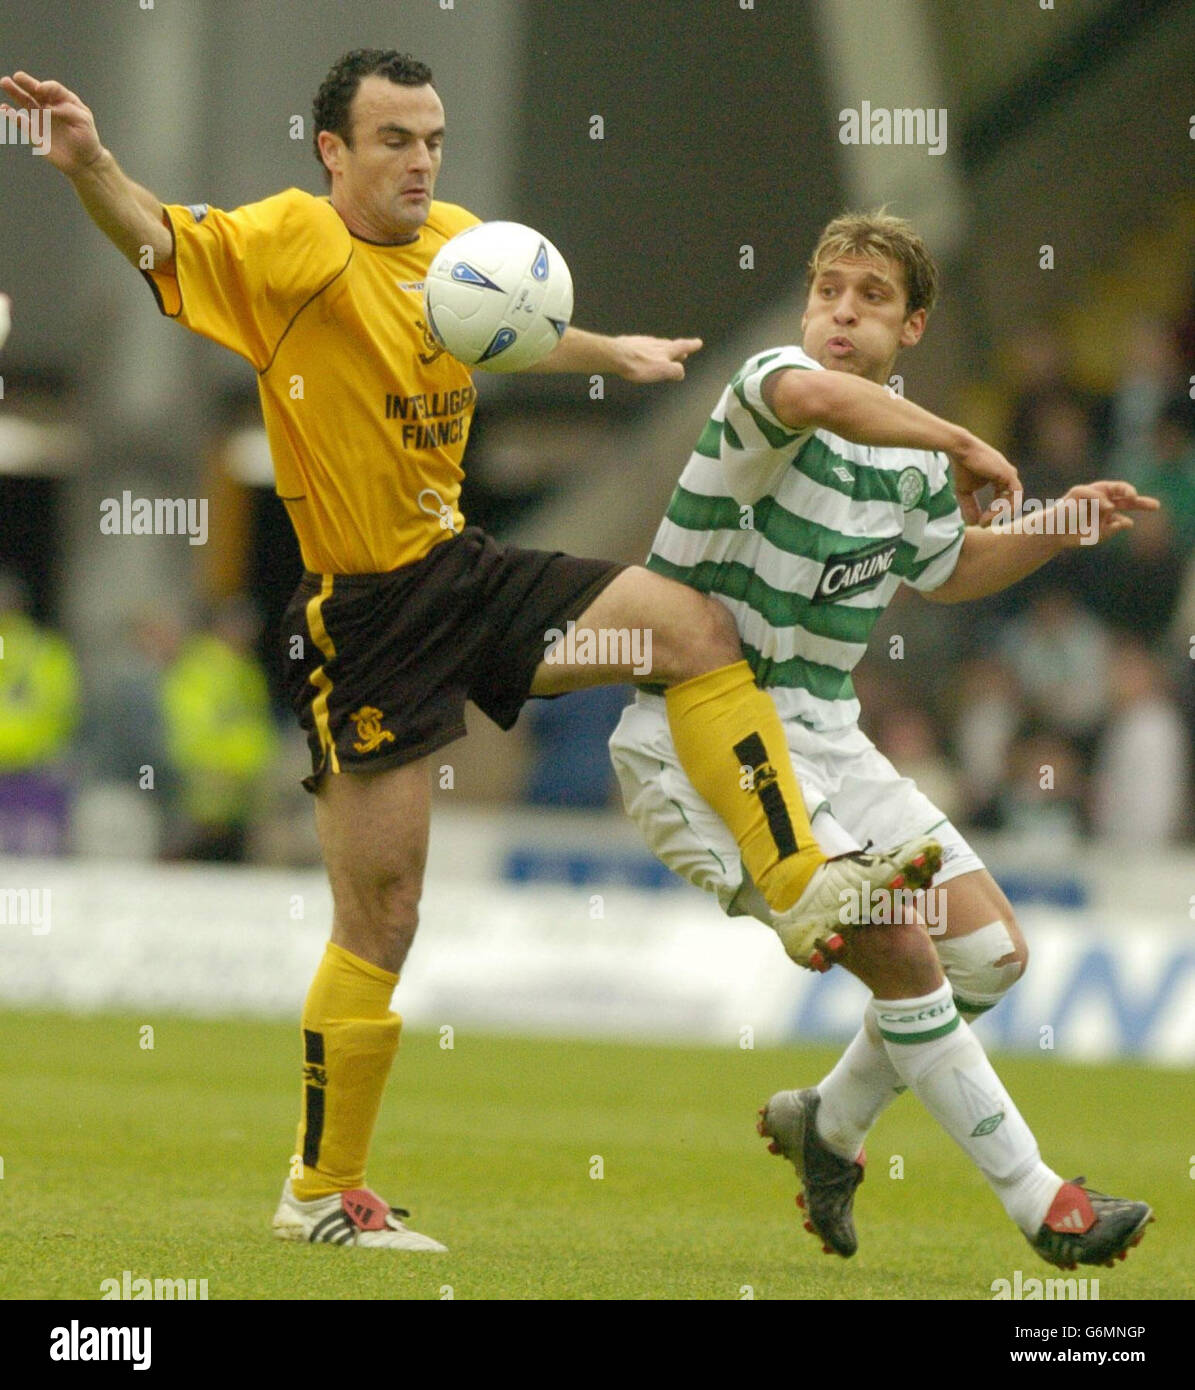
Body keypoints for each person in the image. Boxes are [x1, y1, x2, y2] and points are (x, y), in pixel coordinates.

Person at [1, 54, 991, 1252]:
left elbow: (509, 327)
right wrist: (90, 163)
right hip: (367, 621)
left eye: (432, 138)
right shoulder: (286, 247)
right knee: (385, 915)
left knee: (689, 625)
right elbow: (158, 238)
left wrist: (609, 350)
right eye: (394, 140)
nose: (422, 161)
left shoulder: (462, 240)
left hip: (466, 574)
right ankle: (322, 1191)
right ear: (334, 153)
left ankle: (798, 883)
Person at [609, 210, 1157, 1270]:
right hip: (700, 742)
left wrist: (1060, 523)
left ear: (913, 326)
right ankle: (1045, 1203)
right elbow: (815, 394)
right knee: (902, 949)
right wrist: (959, 436)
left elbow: (948, 570)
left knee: (990, 956)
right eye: (828, 293)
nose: (841, 315)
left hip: (828, 739)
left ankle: (829, 1122)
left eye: (869, 299)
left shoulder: (904, 469)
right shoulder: (769, 391)